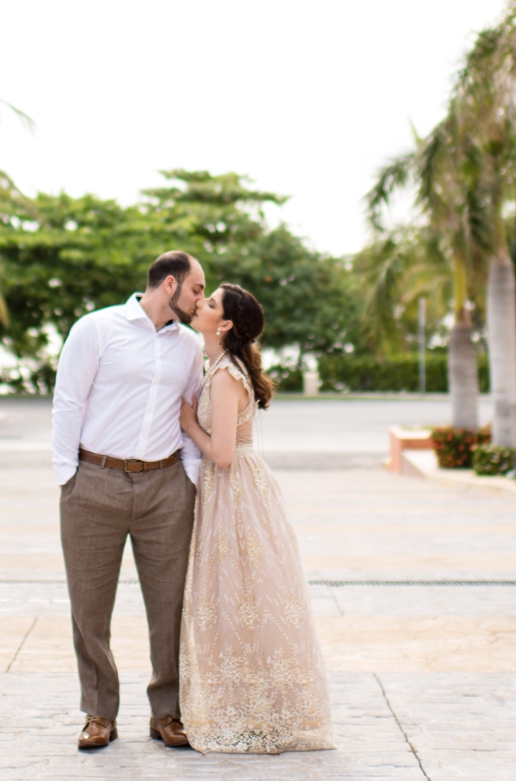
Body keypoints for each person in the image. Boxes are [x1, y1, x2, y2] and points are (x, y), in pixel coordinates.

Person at [50, 250, 207, 751]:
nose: (201, 298)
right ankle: (99, 711)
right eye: (197, 289)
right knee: (90, 606)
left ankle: (169, 711)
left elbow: (191, 410)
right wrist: (68, 478)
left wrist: (190, 479)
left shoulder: (188, 346)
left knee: (171, 605)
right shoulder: (96, 329)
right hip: (94, 481)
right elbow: (68, 400)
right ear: (168, 284)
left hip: (165, 489)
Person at [176, 283, 334, 754]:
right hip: (237, 490)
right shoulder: (220, 366)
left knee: (238, 598)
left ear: (224, 324)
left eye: (209, 303)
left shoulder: (225, 376)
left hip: (234, 490)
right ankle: (253, 706)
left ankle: (252, 712)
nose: (199, 304)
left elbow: (222, 453)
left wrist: (188, 424)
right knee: (243, 599)